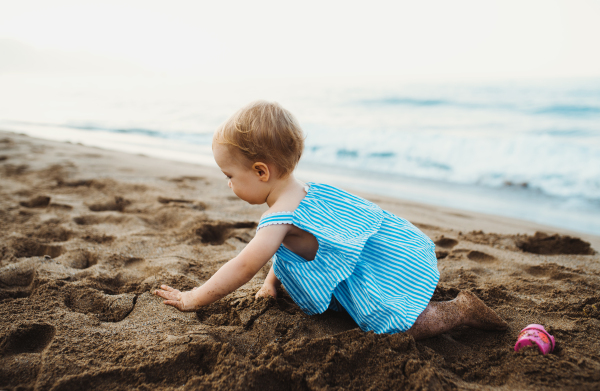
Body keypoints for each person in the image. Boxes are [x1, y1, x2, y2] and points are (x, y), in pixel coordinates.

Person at [153, 100, 508, 339]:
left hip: (376, 276)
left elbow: (245, 264)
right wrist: (272, 283)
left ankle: (460, 309)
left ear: (261, 171)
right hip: (388, 259)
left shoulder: (279, 216)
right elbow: (289, 248)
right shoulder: (308, 190)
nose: (228, 183)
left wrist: (194, 298)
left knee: (402, 327)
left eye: (229, 174)